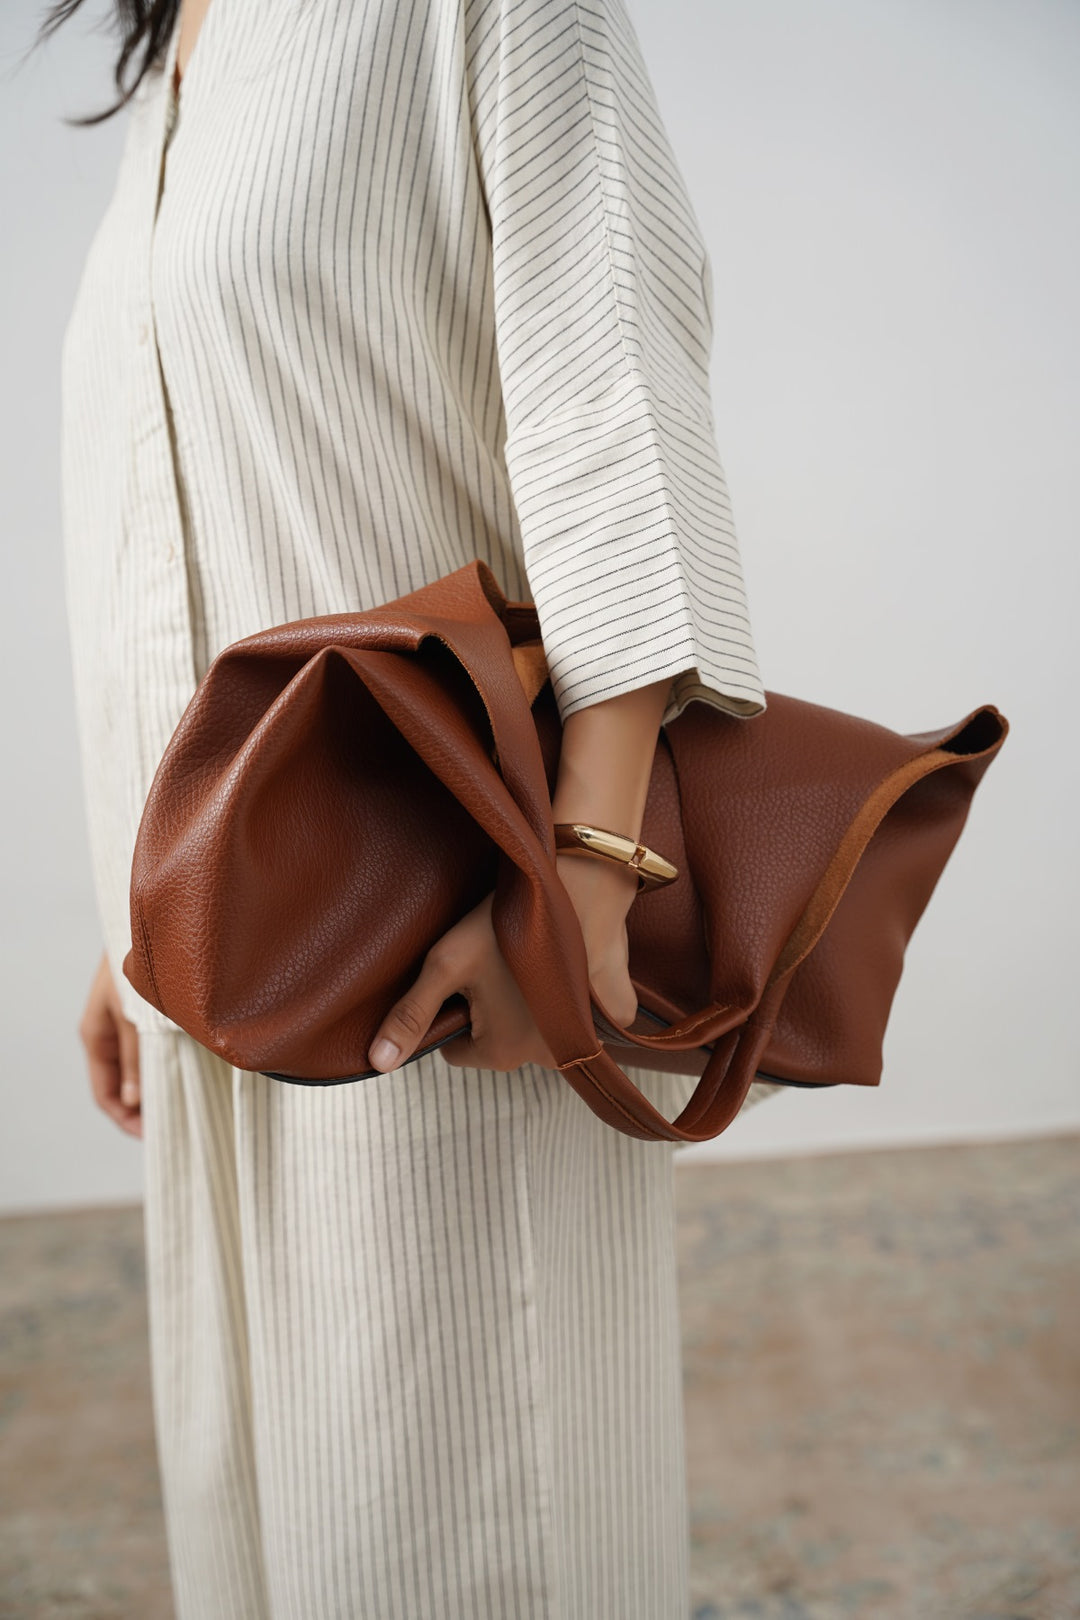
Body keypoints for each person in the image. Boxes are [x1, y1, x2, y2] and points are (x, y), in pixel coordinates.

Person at [51, 0, 779, 1612]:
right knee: (263, 1524)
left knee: (470, 1525)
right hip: (227, 963)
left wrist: (582, 882)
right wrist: (134, 913)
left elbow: (611, 402)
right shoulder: (183, 52)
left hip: (453, 935)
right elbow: (178, 518)